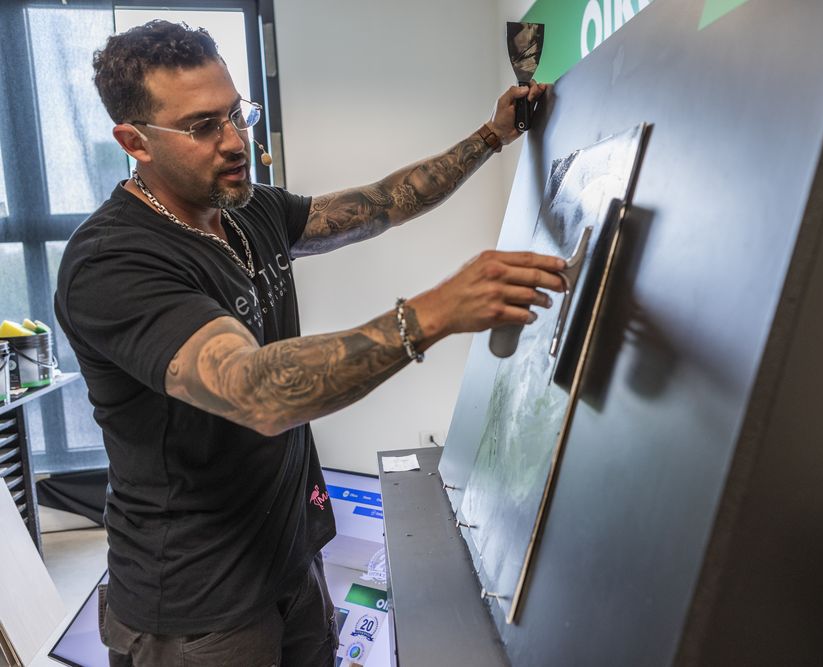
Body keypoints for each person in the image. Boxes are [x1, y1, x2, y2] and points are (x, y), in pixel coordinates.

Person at [54, 19, 563, 667]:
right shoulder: (112, 262)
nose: (235, 141)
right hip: (196, 606)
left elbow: (380, 204)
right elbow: (255, 391)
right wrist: (434, 313)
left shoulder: (245, 209)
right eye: (202, 126)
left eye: (236, 113)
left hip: (290, 555)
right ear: (135, 141)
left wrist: (492, 136)